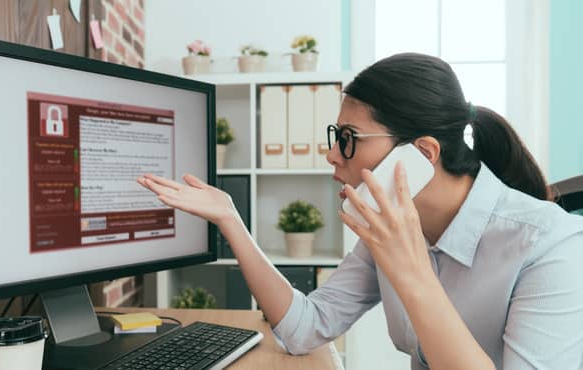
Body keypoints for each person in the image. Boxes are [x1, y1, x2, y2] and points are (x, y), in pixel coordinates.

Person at [137, 53, 583, 370]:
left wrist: (412, 272)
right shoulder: (385, 233)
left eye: (348, 138)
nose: (332, 154)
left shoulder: (550, 247)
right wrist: (231, 219)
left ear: (422, 154)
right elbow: (304, 329)